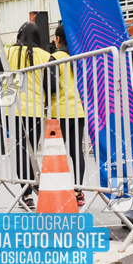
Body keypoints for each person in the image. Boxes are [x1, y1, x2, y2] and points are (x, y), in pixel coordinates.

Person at [0, 22, 54, 209]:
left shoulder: (7, 55)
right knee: (31, 151)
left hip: (11, 111)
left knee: (20, 151)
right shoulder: (46, 56)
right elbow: (52, 86)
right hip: (35, 111)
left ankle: (26, 194)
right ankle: (32, 185)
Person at [51, 24, 86, 207]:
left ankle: (60, 190)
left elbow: (50, 86)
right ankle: (79, 192)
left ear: (58, 39)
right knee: (76, 151)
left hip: (61, 112)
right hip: (78, 111)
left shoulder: (55, 58)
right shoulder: (79, 56)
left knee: (57, 152)